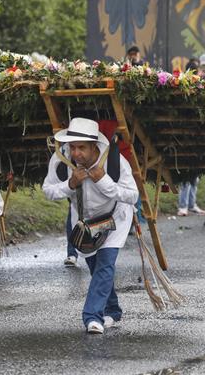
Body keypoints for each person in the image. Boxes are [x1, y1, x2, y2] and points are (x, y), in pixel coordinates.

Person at [43, 118, 139, 334]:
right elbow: (48, 191)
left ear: (94, 146)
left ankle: (92, 317)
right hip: (85, 224)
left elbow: (133, 195)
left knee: (105, 265)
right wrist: (70, 184)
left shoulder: (115, 160)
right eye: (72, 147)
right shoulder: (61, 160)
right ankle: (112, 310)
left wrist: (103, 180)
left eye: (81, 148)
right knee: (97, 268)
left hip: (115, 220)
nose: (76, 153)